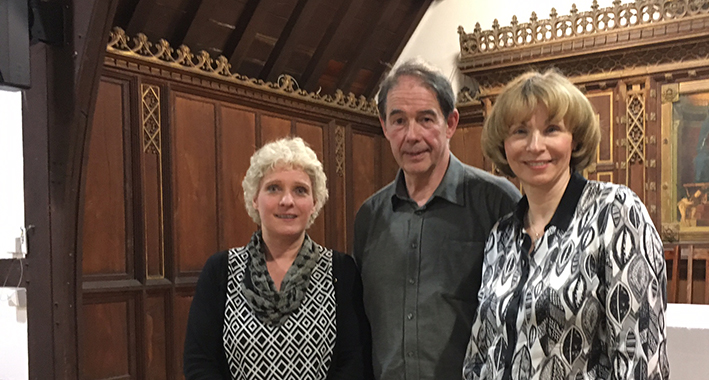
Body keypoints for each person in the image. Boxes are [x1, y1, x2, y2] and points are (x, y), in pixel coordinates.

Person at [465, 70, 669, 379]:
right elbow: (481, 350)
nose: (534, 145)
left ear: (574, 140)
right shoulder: (500, 236)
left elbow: (640, 356)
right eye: (520, 131)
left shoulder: (614, 213)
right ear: (503, 144)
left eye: (551, 129)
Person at [353, 60, 521, 380]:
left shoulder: (498, 202)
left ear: (450, 123)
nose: (412, 135)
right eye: (399, 120)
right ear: (384, 125)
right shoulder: (369, 217)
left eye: (426, 119)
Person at [183, 137, 372, 380]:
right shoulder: (221, 269)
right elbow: (199, 361)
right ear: (254, 198)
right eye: (273, 188)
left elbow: (354, 361)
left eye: (300, 190)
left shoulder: (341, 270)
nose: (287, 201)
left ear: (314, 202)